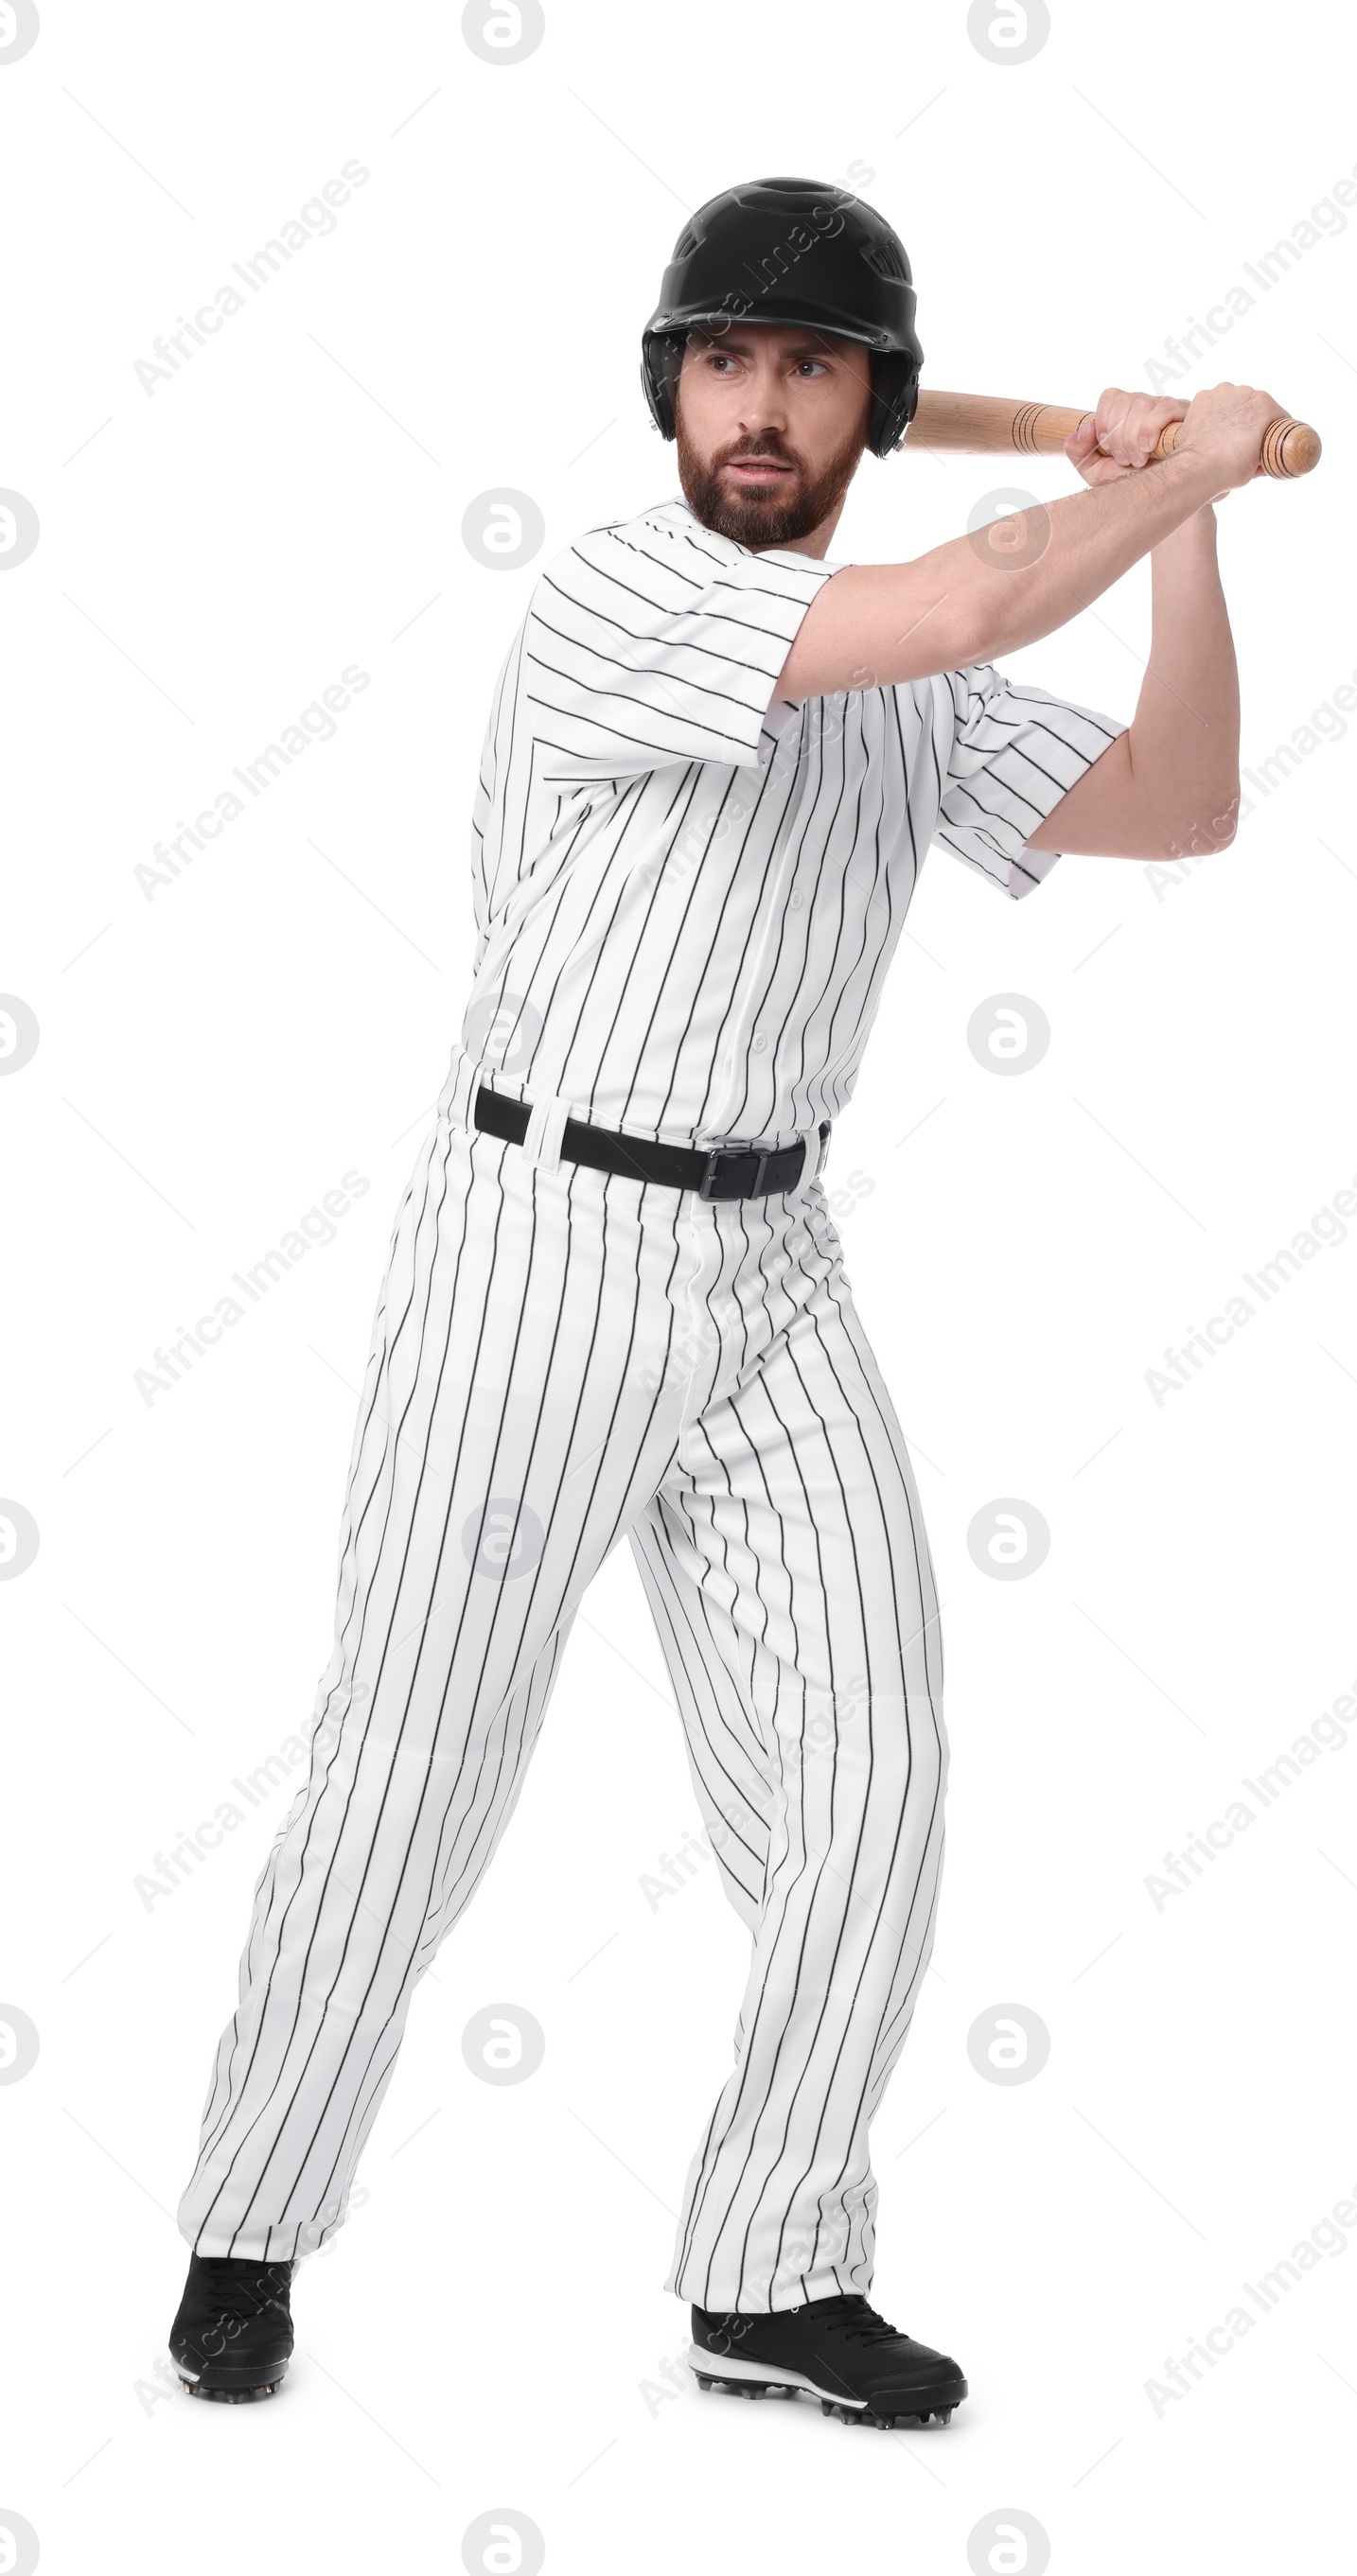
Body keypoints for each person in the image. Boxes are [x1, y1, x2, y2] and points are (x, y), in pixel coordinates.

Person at [168, 174, 1279, 2424]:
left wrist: (1185, 524)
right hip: (532, 1248)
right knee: (414, 1782)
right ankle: (247, 2229)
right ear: (666, 389)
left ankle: (767, 2272)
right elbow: (964, 599)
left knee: (871, 1779)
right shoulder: (622, 594)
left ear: (872, 408)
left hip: (773, 1266)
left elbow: (1182, 804)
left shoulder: (902, 667)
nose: (756, 409)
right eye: (722, 363)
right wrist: (1170, 448)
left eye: (807, 371)